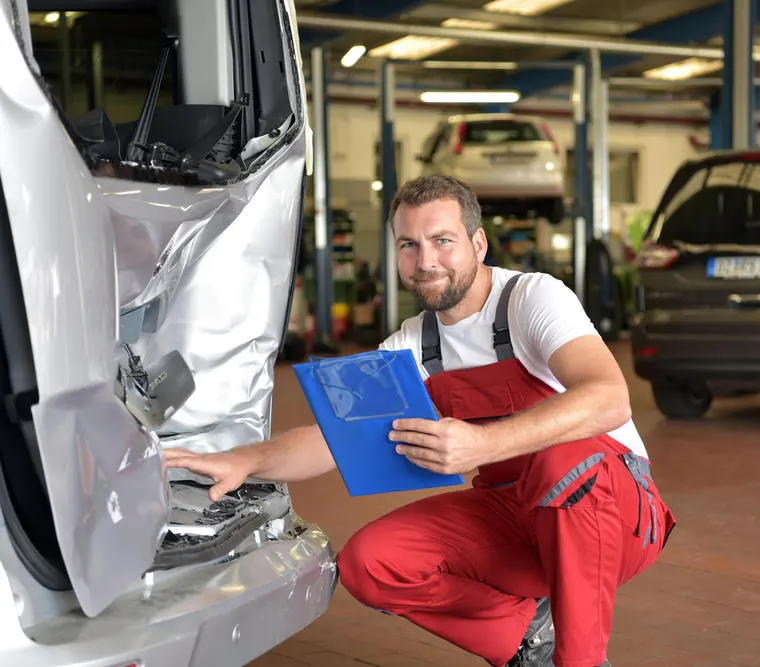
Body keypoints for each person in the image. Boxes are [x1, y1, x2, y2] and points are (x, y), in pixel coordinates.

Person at [164, 175, 675, 667]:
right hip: (517, 516)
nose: (425, 261)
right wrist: (242, 461)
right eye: (409, 245)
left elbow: (609, 398)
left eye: (442, 240)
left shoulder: (533, 299)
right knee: (372, 562)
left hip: (615, 514)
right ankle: (531, 634)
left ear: (478, 243)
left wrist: (481, 445)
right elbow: (332, 436)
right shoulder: (412, 342)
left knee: (567, 459)